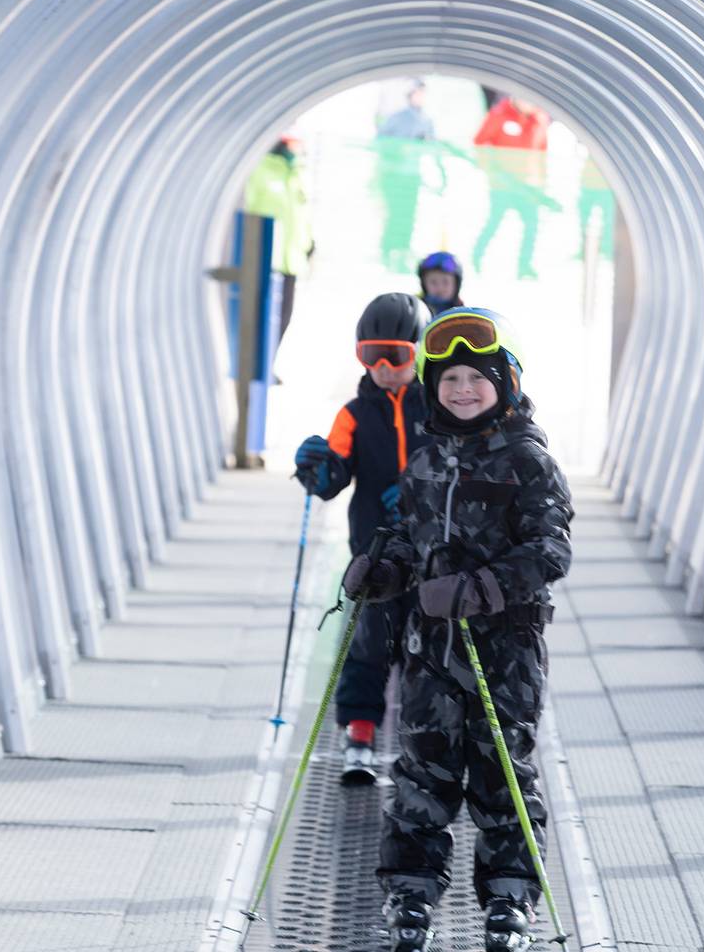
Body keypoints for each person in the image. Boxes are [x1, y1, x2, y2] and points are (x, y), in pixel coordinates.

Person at [341, 308, 573, 952]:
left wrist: (480, 590)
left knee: (503, 775)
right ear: (431, 388)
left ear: (506, 383)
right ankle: (411, 893)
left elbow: (550, 551)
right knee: (422, 773)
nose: (463, 389)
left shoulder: (529, 462)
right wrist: (381, 569)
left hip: (506, 654)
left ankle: (507, 898)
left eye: (478, 377)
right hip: (431, 654)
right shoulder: (427, 459)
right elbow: (407, 541)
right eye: (449, 379)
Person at [291, 292, 432, 784]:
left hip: (434, 555)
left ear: (421, 353)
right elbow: (333, 481)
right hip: (374, 556)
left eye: (397, 356)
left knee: (431, 653)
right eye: (372, 356)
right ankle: (361, 733)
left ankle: (426, 744)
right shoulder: (353, 414)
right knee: (368, 645)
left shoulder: (439, 409)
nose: (385, 368)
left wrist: (419, 495)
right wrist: (316, 469)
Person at [470, 95, 559, 280]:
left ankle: (524, 266)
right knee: (494, 222)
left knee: (531, 225)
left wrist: (541, 181)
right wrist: (491, 169)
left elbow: (542, 151)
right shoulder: (499, 115)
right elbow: (480, 142)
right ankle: (477, 257)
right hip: (502, 185)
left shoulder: (540, 119)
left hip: (527, 186)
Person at [242, 136, 314, 351]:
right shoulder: (261, 170)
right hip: (265, 258)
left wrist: (308, 244)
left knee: (283, 316)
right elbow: (249, 211)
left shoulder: (297, 173)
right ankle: (252, 363)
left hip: (291, 259)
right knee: (260, 315)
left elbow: (302, 215)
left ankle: (268, 361)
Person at [375, 79, 448, 273]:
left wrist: (442, 174)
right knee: (395, 215)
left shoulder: (426, 120)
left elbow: (433, 146)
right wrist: (399, 151)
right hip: (393, 175)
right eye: (417, 93)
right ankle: (388, 251)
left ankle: (401, 252)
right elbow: (381, 141)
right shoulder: (397, 118)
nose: (420, 97)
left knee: (408, 216)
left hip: (412, 176)